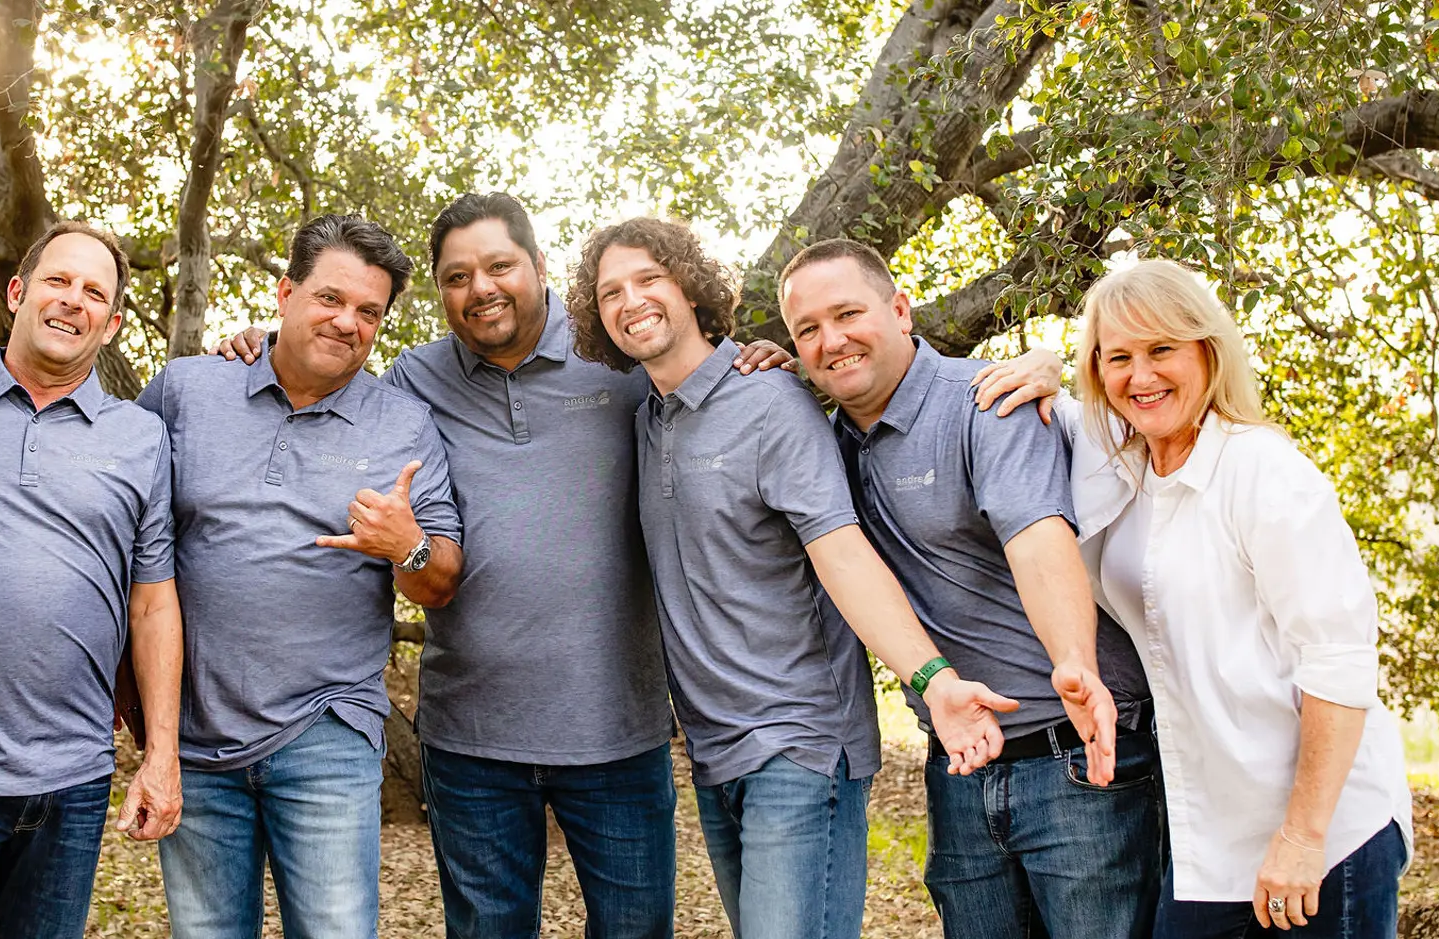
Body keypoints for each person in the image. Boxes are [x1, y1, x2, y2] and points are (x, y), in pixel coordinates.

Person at [213, 192, 795, 939]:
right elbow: (322, 382)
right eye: (457, 276)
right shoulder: (414, 382)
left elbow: (712, 389)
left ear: (539, 265)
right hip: (471, 740)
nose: (480, 287)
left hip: (618, 733)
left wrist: (767, 355)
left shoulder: (617, 359)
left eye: (498, 266)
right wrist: (256, 344)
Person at [566, 217, 1021, 939]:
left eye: (649, 278)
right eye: (610, 290)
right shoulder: (650, 418)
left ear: (689, 285)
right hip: (715, 750)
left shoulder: (770, 401)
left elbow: (840, 550)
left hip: (799, 743)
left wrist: (931, 677)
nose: (631, 300)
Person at [776, 237, 1161, 939]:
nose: (831, 340)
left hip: (1077, 756)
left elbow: (1038, 542)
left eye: (847, 313)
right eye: (807, 330)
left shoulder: (990, 399)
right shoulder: (822, 443)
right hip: (960, 761)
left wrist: (1073, 660)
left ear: (899, 309)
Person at [137, 213, 464, 939]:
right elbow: (126, 537)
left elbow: (441, 579)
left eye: (369, 312)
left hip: (326, 730)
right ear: (284, 293)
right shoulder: (188, 390)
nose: (348, 322)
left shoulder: (403, 424)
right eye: (330, 298)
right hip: (193, 732)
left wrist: (407, 545)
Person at [1067, 259, 1412, 938]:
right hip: (1209, 845)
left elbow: (1339, 658)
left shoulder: (1263, 470)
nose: (1141, 376)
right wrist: (1035, 361)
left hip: (1323, 832)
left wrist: (1303, 834)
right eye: (1119, 357)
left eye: (1162, 348)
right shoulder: (1123, 473)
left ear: (1207, 350)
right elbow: (1057, 411)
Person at [0, 221, 185, 939]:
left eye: (94, 292)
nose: (72, 300)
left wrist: (160, 753)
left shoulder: (140, 438)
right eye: (57, 280)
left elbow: (152, 603)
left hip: (72, 777)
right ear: (17, 292)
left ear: (109, 325)